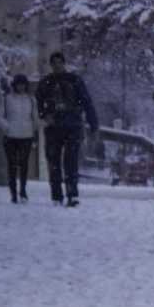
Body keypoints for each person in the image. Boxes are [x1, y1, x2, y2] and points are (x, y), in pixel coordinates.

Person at [35, 51, 98, 207]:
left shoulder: (74, 80)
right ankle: (56, 196)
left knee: (71, 162)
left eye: (59, 62)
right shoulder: (45, 83)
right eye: (54, 63)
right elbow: (38, 103)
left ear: (64, 63)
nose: (57, 66)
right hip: (53, 127)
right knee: (53, 162)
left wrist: (93, 124)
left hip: (72, 126)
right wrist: (44, 115)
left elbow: (86, 102)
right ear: (51, 65)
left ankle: (72, 194)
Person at [0, 74, 40, 203]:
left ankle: (23, 190)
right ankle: (13, 192)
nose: (21, 87)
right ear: (14, 85)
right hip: (10, 136)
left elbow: (35, 117)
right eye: (18, 84)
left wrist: (35, 130)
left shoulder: (31, 100)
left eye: (23, 84)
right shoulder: (7, 99)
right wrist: (7, 127)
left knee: (24, 164)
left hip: (26, 135)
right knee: (12, 164)